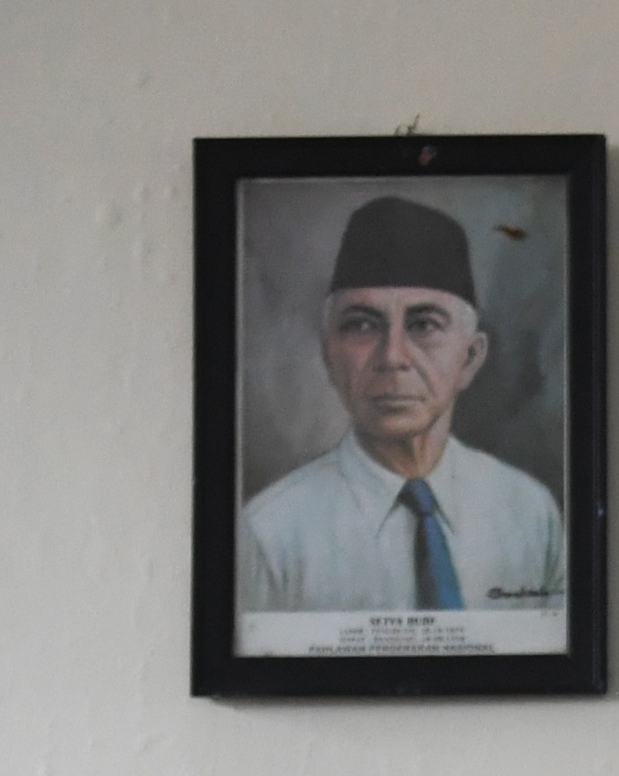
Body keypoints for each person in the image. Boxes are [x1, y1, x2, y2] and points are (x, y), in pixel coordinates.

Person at [240, 195, 565, 616]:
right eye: (362, 325)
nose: (392, 356)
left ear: (470, 357)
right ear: (329, 356)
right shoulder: (269, 535)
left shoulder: (530, 513)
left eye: (424, 325)